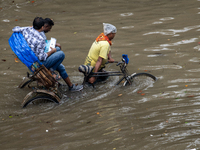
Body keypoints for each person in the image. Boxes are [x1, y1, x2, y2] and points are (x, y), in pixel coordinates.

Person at [12, 17, 83, 92]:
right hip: (38, 64)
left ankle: (70, 86)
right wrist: (52, 51)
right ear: (42, 27)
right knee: (61, 54)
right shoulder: (40, 39)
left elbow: (15, 28)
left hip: (31, 60)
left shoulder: (26, 29)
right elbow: (42, 57)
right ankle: (50, 71)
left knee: (60, 64)